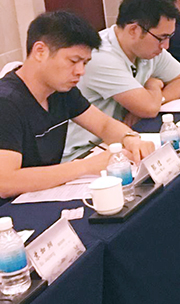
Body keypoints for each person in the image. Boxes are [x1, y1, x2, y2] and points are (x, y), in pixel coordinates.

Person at [0, 11, 156, 198]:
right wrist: (85, 166)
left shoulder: (60, 91)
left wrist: (130, 139)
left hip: (43, 194)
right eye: (73, 61)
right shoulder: (6, 102)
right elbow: (5, 182)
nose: (80, 71)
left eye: (85, 63)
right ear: (40, 51)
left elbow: (104, 125)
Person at [64, 0, 180, 159]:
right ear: (134, 30)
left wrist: (156, 99)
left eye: (170, 37)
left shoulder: (149, 47)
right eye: (162, 38)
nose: (166, 45)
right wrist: (154, 86)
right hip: (85, 151)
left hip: (122, 138)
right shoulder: (100, 56)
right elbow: (148, 108)